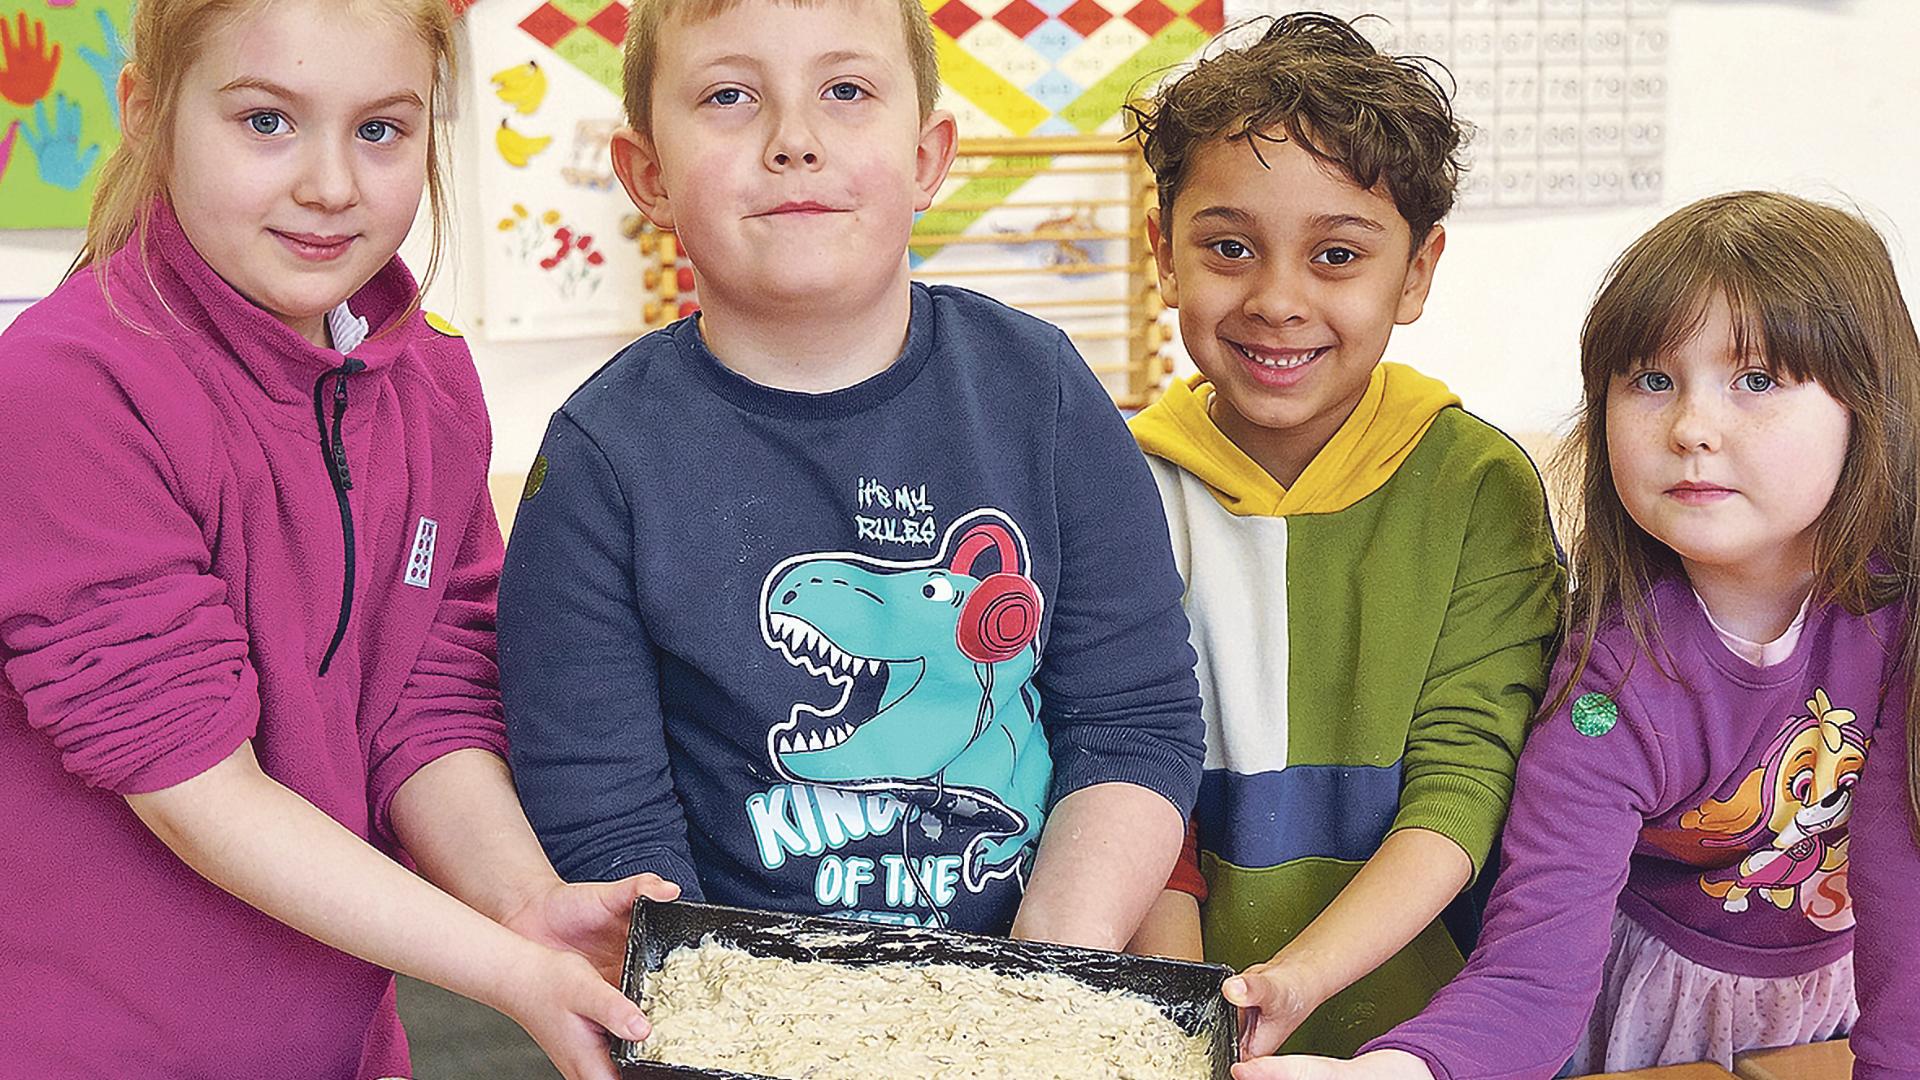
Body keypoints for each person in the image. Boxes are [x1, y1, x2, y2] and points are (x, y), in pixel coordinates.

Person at [0, 3, 676, 1077]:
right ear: (145, 116)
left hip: (341, 1052)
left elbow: (425, 697)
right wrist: (505, 969)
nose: (331, 183)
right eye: (266, 121)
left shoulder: (432, 381)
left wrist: (523, 904)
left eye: (381, 129)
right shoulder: (64, 389)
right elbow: (197, 789)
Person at [498, 0, 1204, 949]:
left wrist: (1045, 972)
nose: (794, 141)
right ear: (649, 175)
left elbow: (1133, 720)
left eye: (845, 90)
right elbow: (603, 811)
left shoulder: (1043, 394)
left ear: (925, 159)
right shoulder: (599, 457)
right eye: (729, 96)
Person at [1247, 192, 1920, 1080]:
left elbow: (1904, 924)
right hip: (1646, 1017)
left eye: (1756, 380)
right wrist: (1391, 1071)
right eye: (1651, 379)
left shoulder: (1895, 626)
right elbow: (1530, 978)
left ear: (1869, 406)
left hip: (1849, 992)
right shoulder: (1610, 684)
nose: (1690, 428)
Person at [1120, 14, 1564, 1058]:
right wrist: (1196, 1016)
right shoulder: (1117, 484)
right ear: (1162, 253)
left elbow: (1468, 777)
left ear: (1415, 274)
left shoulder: (1479, 488)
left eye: (1336, 256)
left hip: (1432, 1032)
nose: (1278, 300)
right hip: (1176, 1012)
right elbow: (1127, 771)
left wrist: (1299, 980)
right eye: (1229, 247)